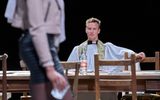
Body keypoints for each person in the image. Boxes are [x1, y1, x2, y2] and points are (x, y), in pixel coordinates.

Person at [4, 0, 73, 100]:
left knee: (48, 94)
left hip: (43, 42)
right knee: (62, 94)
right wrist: (49, 67)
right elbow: (36, 27)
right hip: (37, 43)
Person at [67, 17, 145, 100]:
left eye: (94, 29)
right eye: (89, 28)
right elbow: (69, 69)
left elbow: (122, 52)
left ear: (98, 30)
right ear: (86, 30)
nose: (91, 31)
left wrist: (136, 55)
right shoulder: (78, 49)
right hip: (84, 86)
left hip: (104, 86)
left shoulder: (107, 48)